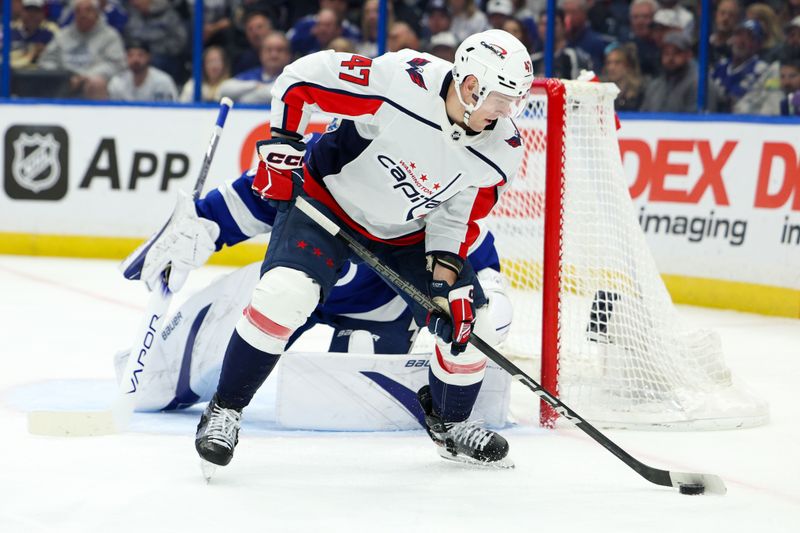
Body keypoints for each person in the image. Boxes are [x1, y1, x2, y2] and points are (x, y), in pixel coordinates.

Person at [189, 29, 533, 470]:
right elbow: (300, 81)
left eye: (514, 101)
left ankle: (449, 424)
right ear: (471, 86)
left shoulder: (500, 149)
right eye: (502, 99)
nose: (508, 112)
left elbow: (457, 215)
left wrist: (446, 286)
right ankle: (225, 409)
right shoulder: (401, 83)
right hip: (326, 202)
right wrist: (284, 144)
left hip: (407, 235)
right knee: (285, 295)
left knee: (474, 321)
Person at [120, 158, 513, 413]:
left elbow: (477, 264)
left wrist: (492, 301)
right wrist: (193, 232)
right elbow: (231, 208)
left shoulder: (433, 191)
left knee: (348, 406)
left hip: (377, 313)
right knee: (155, 387)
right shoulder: (317, 161)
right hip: (290, 286)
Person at [37, 0, 126, 99]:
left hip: (93, 81)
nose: (83, 15)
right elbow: (46, 60)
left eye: (88, 10)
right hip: (65, 82)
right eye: (78, 11)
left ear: (97, 13)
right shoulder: (62, 36)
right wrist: (62, 77)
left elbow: (115, 64)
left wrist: (85, 77)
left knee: (96, 83)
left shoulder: (110, 36)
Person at [219, 31, 291, 104]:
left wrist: (244, 99)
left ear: (288, 55)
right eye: (269, 50)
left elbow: (282, 92)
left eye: (280, 50)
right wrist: (255, 85)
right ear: (261, 54)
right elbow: (223, 90)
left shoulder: (292, 77)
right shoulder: (251, 75)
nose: (274, 55)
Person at [639, 31, 699, 112]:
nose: (670, 58)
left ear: (688, 55)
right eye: (666, 53)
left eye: (676, 53)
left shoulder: (698, 84)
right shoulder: (655, 86)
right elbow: (643, 117)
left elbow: (698, 121)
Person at [107, 39, 177, 101]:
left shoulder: (163, 82)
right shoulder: (117, 82)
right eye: (130, 55)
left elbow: (169, 110)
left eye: (140, 55)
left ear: (148, 57)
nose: (135, 59)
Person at [10, 0, 59, 69]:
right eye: (28, 11)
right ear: (21, 12)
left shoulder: (51, 33)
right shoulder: (10, 32)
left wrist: (45, 52)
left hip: (42, 76)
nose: (32, 15)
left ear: (43, 14)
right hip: (12, 75)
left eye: (36, 11)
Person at [602, 42, 644, 111]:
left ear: (627, 65)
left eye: (617, 62)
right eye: (608, 63)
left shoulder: (638, 92)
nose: (611, 67)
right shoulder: (600, 92)